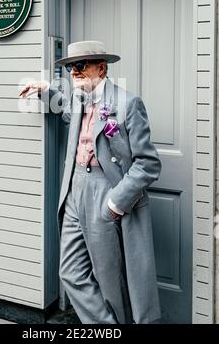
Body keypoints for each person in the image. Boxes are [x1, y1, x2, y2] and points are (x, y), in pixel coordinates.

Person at [20, 40, 162, 324]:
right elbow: (65, 111)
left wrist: (115, 202)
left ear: (101, 67)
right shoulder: (78, 99)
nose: (75, 72)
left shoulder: (128, 103)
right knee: (70, 271)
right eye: (71, 67)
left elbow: (148, 163)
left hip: (105, 190)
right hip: (74, 191)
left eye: (81, 66)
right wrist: (45, 91)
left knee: (109, 277)